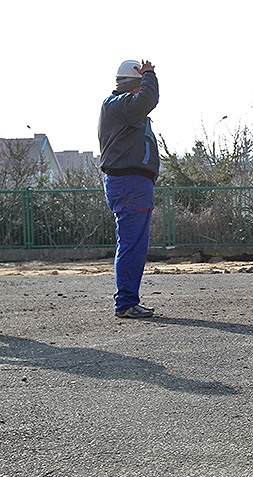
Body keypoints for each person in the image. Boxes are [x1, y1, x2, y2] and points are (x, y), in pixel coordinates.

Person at [98, 59, 160, 318]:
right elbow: (148, 99)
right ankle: (125, 303)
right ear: (132, 85)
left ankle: (127, 301)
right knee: (132, 244)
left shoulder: (121, 108)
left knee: (133, 243)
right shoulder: (121, 105)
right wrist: (150, 75)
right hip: (129, 183)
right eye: (140, 84)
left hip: (132, 183)